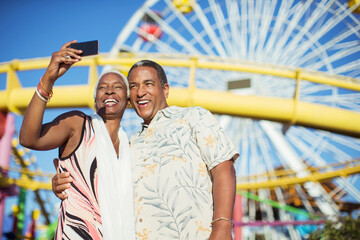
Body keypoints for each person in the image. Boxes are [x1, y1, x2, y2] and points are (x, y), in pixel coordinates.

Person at [53, 59, 239, 240]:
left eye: (148, 84)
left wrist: (222, 226)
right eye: (133, 86)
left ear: (165, 90)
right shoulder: (128, 146)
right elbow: (102, 186)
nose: (140, 92)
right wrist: (65, 182)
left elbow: (223, 167)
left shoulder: (193, 117)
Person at [19, 41, 135, 240]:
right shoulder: (78, 124)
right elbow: (29, 139)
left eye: (117, 87)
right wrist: (48, 79)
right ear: (95, 98)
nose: (109, 91)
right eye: (102, 87)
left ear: (128, 99)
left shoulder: (131, 148)